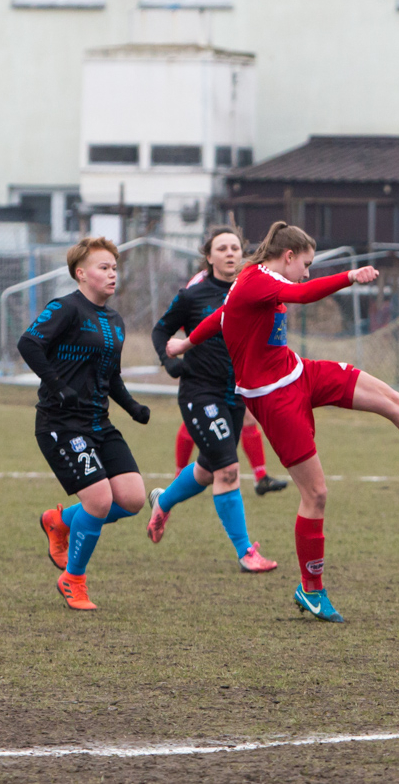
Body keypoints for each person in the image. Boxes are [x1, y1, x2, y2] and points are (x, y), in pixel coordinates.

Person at [171, 221, 399, 623]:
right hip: (273, 400)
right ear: (288, 257)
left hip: (300, 373)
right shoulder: (256, 281)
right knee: (316, 495)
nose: (307, 271)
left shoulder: (254, 281)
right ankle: (311, 589)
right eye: (306, 263)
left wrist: (186, 341)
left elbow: (221, 317)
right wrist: (349, 277)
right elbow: (299, 294)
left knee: (392, 400)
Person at [22, 237, 152, 611]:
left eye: (114, 267)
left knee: (131, 499)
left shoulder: (115, 321)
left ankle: (59, 521)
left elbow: (111, 376)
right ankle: (73, 580)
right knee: (99, 500)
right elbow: (28, 343)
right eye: (103, 267)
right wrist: (58, 386)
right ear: (81, 274)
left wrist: (131, 407)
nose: (112, 274)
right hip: (60, 424)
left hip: (99, 423)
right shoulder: (65, 308)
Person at [147, 226, 277, 573]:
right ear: (209, 256)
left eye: (236, 247)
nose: (230, 253)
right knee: (228, 469)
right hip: (199, 391)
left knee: (207, 471)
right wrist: (169, 361)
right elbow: (161, 329)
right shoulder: (194, 295)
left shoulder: (251, 290)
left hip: (235, 392)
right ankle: (246, 552)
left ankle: (163, 501)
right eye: (222, 248)